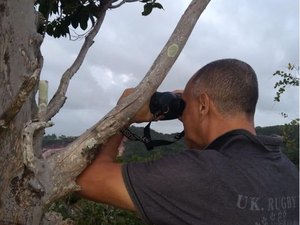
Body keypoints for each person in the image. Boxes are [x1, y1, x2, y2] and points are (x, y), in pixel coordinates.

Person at [76, 58, 299, 225]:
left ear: (203, 105)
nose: (183, 116)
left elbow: (87, 180)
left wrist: (124, 112)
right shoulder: (288, 171)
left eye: (186, 107)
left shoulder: (199, 175)